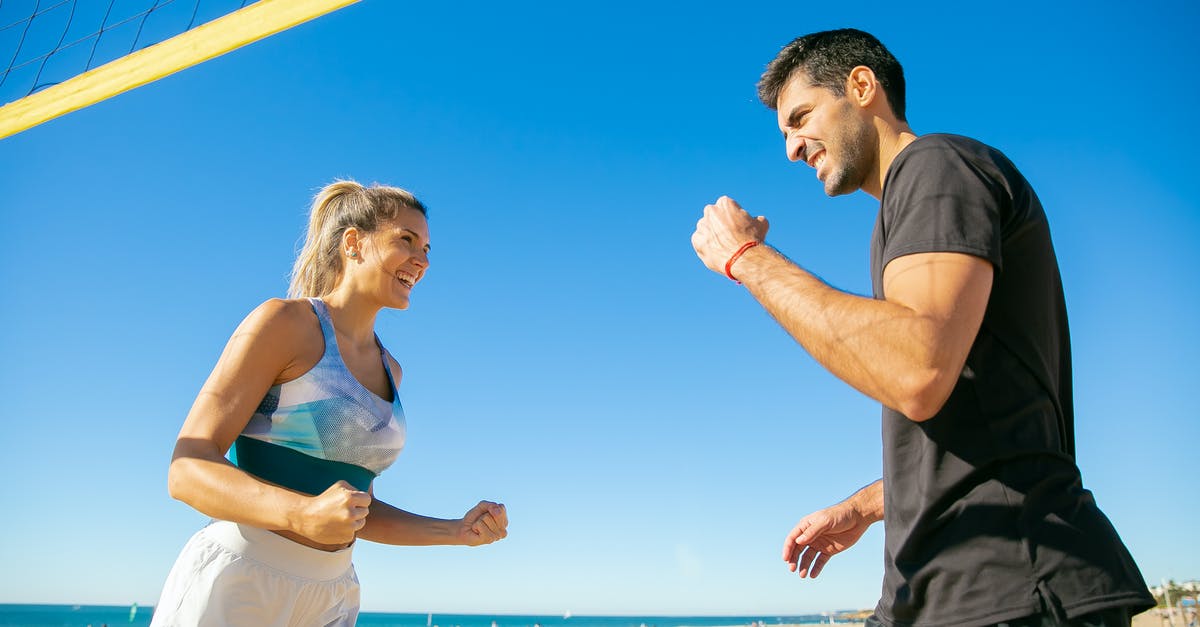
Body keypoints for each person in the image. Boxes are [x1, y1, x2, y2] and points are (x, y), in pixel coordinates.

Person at [691, 29, 1154, 626]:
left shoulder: (936, 166)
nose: (791, 149)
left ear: (862, 86)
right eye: (784, 133)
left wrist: (745, 258)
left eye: (800, 118)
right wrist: (868, 505)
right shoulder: (907, 205)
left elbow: (917, 368)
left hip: (1009, 586)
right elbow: (982, 426)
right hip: (936, 594)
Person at [150, 180, 508, 626]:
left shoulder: (391, 370)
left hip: (332, 592)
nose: (422, 260)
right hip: (242, 578)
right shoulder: (285, 323)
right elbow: (186, 470)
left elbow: (359, 510)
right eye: (406, 240)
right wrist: (300, 514)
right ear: (353, 243)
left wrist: (455, 531)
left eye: (427, 249)